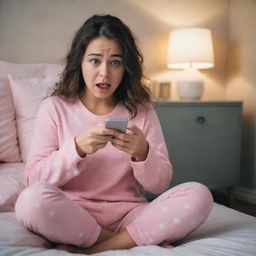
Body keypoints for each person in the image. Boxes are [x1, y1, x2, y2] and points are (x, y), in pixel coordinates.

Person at [15, 14, 213, 254]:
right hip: (75, 215)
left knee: (199, 194)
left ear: (126, 67)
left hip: (131, 214)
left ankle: (90, 249)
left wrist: (143, 153)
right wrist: (75, 148)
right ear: (80, 62)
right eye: (95, 61)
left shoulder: (141, 110)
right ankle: (125, 241)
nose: (105, 73)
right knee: (30, 201)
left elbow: (160, 185)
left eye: (115, 62)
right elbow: (34, 180)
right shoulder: (55, 107)